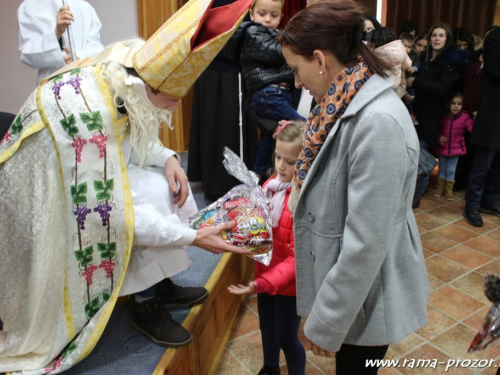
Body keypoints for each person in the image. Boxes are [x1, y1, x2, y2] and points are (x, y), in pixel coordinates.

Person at [0, 0, 254, 372]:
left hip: (81, 164)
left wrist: (168, 157)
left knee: (162, 184)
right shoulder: (89, 110)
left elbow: (132, 132)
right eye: (169, 99)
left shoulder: (124, 69)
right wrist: (192, 238)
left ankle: (157, 283)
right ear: (145, 86)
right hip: (45, 189)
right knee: (146, 198)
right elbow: (115, 217)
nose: (171, 108)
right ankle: (143, 302)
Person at [278, 1, 429, 374]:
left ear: (319, 59)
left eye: (297, 70)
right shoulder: (338, 102)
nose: (296, 82)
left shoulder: (377, 123)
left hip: (366, 296)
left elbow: (365, 243)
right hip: (351, 290)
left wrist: (327, 320)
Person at [228, 120, 306, 375]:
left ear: (304, 162)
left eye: (291, 162)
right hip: (264, 273)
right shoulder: (270, 185)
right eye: (278, 157)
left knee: (286, 335)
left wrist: (262, 283)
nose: (281, 166)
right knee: (267, 328)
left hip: (288, 285)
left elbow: (297, 259)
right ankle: (270, 367)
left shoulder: (301, 201)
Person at [188, 0, 259, 202]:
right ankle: (221, 183)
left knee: (224, 124)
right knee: (216, 124)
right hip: (219, 67)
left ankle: (225, 181)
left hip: (228, 70)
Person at [227, 0, 305, 183]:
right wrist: (297, 51)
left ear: (281, 17)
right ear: (251, 14)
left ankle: (259, 172)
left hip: (277, 94)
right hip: (268, 95)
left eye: (274, 15)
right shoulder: (252, 32)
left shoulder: (275, 34)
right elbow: (276, 52)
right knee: (303, 127)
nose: (268, 19)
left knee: (276, 134)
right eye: (262, 14)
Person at [463, 26, 500, 227]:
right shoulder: (495, 38)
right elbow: (496, 69)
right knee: (483, 162)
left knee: (497, 165)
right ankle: (473, 205)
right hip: (493, 114)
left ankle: (489, 200)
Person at [18, 0, 104, 85]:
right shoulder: (30, 6)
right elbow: (28, 53)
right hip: (52, 84)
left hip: (86, 82)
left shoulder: (85, 7)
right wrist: (56, 32)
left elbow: (97, 48)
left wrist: (80, 57)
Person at [407, 23, 463, 151]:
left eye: (441, 36)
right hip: (416, 112)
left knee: (421, 158)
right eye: (434, 35)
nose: (437, 39)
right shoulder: (424, 57)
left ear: (447, 39)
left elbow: (443, 88)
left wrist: (416, 81)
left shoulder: (450, 61)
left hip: (432, 115)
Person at [432, 92, 474, 200]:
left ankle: (448, 189)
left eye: (459, 104)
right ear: (448, 104)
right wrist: (439, 137)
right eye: (453, 103)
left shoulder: (464, 117)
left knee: (451, 169)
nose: (456, 106)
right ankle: (440, 187)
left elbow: (471, 129)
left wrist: (475, 119)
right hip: (443, 147)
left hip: (456, 149)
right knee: (442, 168)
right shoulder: (443, 117)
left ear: (462, 105)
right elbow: (437, 129)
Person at [372, 27, 412, 98]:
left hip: (380, 87)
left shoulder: (374, 53)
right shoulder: (400, 48)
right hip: (396, 85)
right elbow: (408, 64)